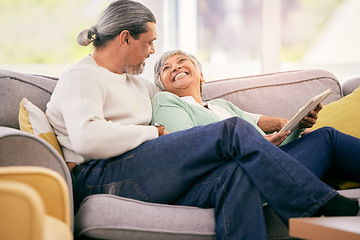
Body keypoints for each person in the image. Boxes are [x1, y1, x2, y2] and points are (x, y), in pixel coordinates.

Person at [46, 2, 359, 240]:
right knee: (230, 131)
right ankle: (319, 204)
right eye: (149, 42)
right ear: (125, 38)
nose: (153, 51)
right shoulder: (83, 76)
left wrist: (280, 124)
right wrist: (152, 132)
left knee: (234, 176)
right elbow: (87, 138)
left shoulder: (137, 83)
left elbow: (193, 111)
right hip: (99, 176)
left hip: (143, 170)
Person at [152, 49, 360, 181]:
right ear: (162, 85)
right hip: (246, 171)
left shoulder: (222, 106)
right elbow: (187, 147)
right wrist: (258, 145)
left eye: (181, 61)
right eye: (166, 68)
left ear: (201, 75)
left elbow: (273, 141)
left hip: (271, 158)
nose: (176, 67)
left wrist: (296, 128)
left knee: (320, 137)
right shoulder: (166, 102)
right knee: (327, 138)